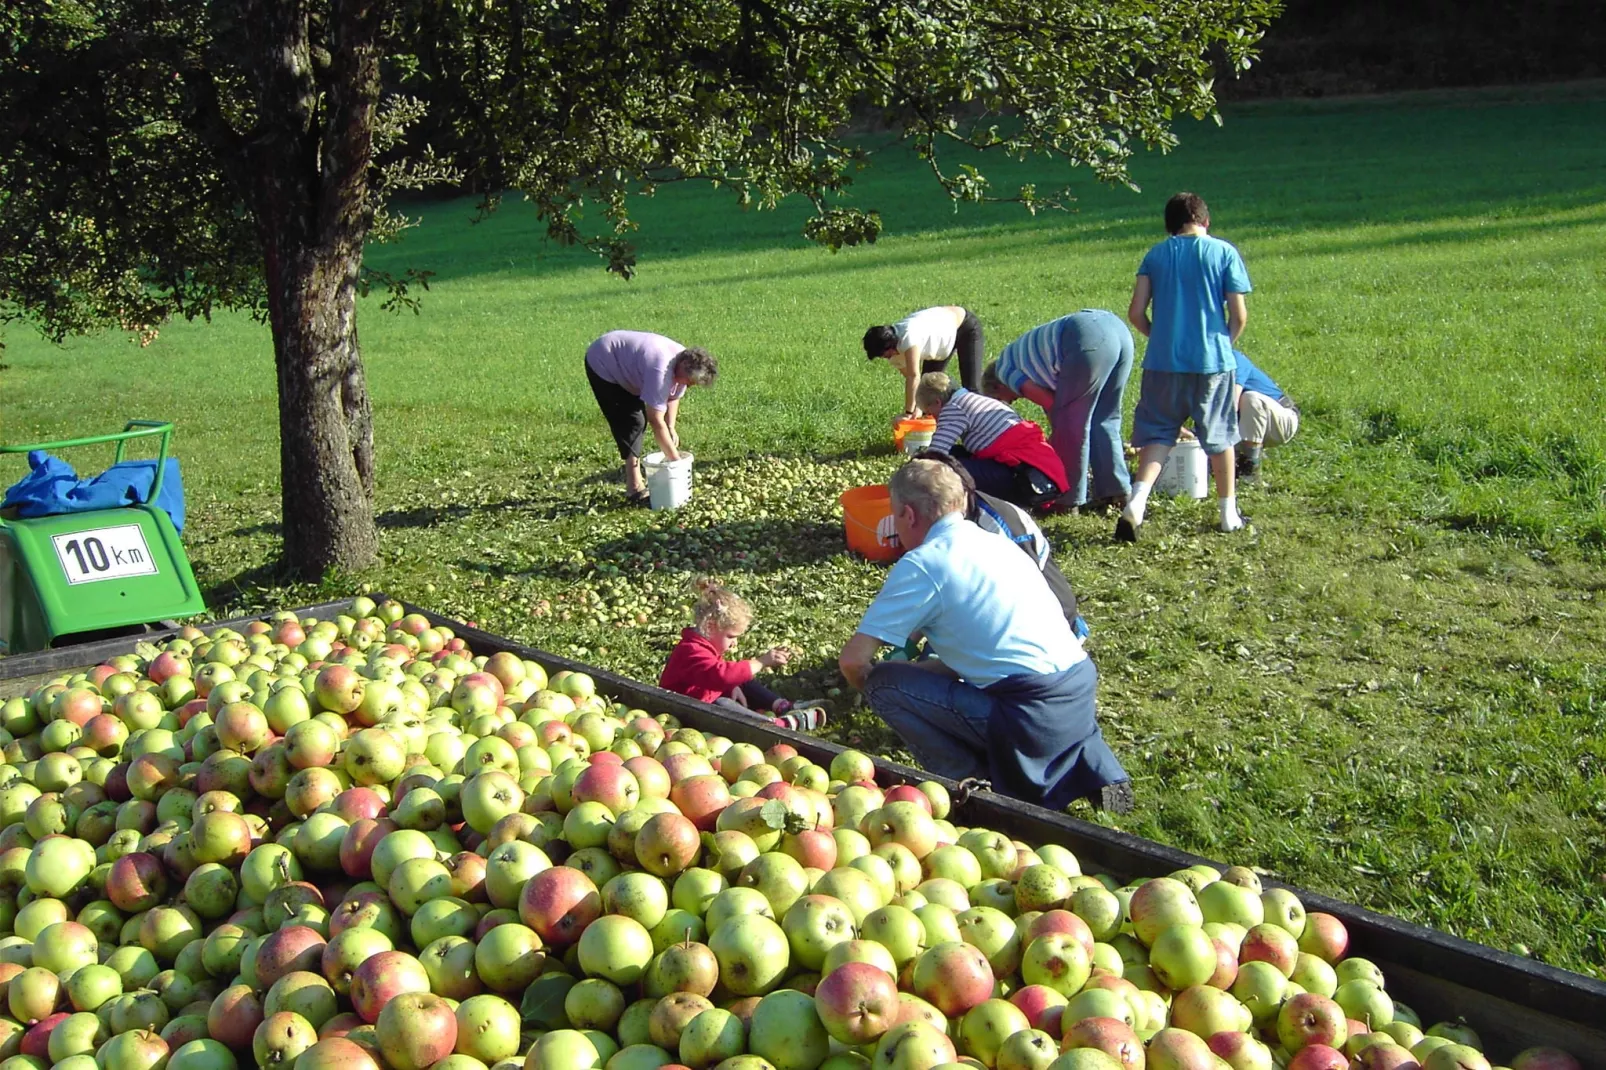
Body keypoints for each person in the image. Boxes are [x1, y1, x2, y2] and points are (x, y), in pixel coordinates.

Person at [839, 460, 1133, 813]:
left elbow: (854, 661)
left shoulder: (924, 564)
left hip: (1030, 713)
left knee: (883, 684)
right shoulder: (997, 543)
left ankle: (970, 786)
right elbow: (969, 656)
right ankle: (1095, 769)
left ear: (908, 515)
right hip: (1078, 692)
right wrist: (920, 673)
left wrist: (872, 687)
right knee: (921, 675)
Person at [1119, 192, 1252, 540]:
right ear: (1206, 221)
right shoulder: (1224, 252)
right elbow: (1238, 315)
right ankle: (1228, 514)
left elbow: (1135, 313)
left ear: (1170, 225)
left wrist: (1159, 337)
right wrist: (1224, 344)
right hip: (1213, 362)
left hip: (1162, 363)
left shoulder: (1155, 255)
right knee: (1220, 436)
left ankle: (1137, 502)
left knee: (1159, 434)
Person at [982, 309, 1134, 513]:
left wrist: (1051, 444)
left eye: (1003, 400)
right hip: (1118, 330)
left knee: (1070, 425)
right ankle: (1116, 491)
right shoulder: (1022, 358)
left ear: (997, 387)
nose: (1012, 401)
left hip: (1086, 340)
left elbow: (1055, 408)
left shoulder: (1005, 370)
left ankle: (1066, 500)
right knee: (1105, 418)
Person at [661, 580, 828, 732]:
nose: (735, 643)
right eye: (731, 637)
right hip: (685, 712)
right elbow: (719, 675)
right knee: (722, 705)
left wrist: (731, 686)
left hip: (704, 697)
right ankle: (775, 726)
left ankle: (782, 706)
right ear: (711, 627)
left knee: (743, 681)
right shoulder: (691, 651)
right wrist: (761, 662)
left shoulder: (705, 645)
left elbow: (711, 677)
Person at [584, 330, 717, 504]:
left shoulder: (685, 363)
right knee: (633, 422)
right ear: (683, 366)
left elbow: (674, 394)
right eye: (690, 382)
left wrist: (671, 426)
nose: (690, 386)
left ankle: (637, 481)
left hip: (631, 363)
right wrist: (675, 461)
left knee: (641, 417)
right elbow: (655, 420)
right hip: (604, 361)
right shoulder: (661, 369)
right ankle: (635, 487)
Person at [914, 373, 1068, 510]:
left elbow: (936, 453)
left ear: (937, 402)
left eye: (929, 412)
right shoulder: (975, 399)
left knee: (947, 468)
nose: (933, 418)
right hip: (1036, 471)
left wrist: (911, 471)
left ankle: (957, 507)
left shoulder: (953, 408)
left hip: (1025, 482)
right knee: (955, 453)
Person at [862, 306, 985, 420]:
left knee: (972, 388)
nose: (885, 358)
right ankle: (932, 434)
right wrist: (918, 408)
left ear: (889, 346)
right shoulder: (893, 353)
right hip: (940, 338)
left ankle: (987, 427)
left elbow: (913, 376)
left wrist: (908, 413)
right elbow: (916, 382)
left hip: (964, 326)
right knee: (928, 393)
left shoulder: (908, 336)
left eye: (884, 354)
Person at [1232, 350, 1298, 481]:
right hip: (1243, 424)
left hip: (1281, 420)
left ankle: (1250, 468)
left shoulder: (1233, 359)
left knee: (1251, 398)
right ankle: (1243, 457)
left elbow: (1231, 404)